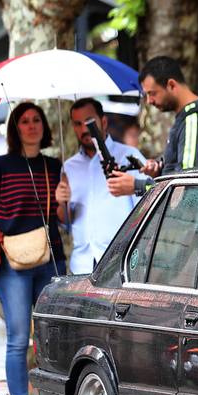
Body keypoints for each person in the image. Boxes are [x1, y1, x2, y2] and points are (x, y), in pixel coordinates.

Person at [0, 102, 65, 395]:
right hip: (12, 261)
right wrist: (3, 235)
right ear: (15, 128)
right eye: (25, 121)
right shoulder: (0, 166)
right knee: (18, 337)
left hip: (50, 258)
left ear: (44, 126)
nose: (31, 126)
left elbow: (63, 216)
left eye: (37, 120)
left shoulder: (54, 166)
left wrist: (65, 202)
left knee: (50, 337)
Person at [58, 98, 149, 274]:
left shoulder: (129, 156)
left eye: (89, 122)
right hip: (82, 264)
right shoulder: (68, 167)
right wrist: (61, 202)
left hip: (121, 261)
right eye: (77, 124)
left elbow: (147, 205)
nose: (84, 129)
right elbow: (66, 222)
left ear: (104, 121)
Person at [108, 56, 198, 198]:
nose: (149, 101)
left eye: (152, 93)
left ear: (171, 85)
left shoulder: (194, 120)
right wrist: (159, 171)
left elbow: (186, 186)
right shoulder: (187, 119)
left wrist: (137, 186)